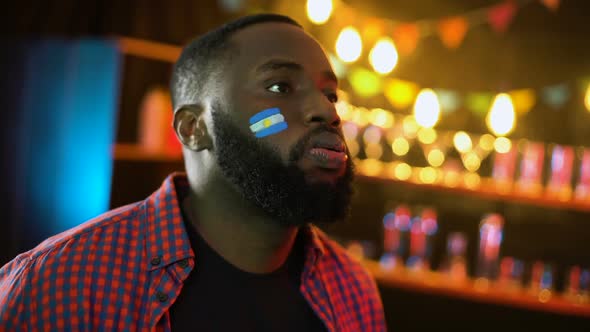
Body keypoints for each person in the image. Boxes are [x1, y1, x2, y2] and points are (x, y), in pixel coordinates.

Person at [0, 14, 386, 331]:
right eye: (280, 86)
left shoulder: (353, 292)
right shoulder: (58, 286)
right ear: (193, 128)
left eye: (330, 94)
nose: (328, 112)